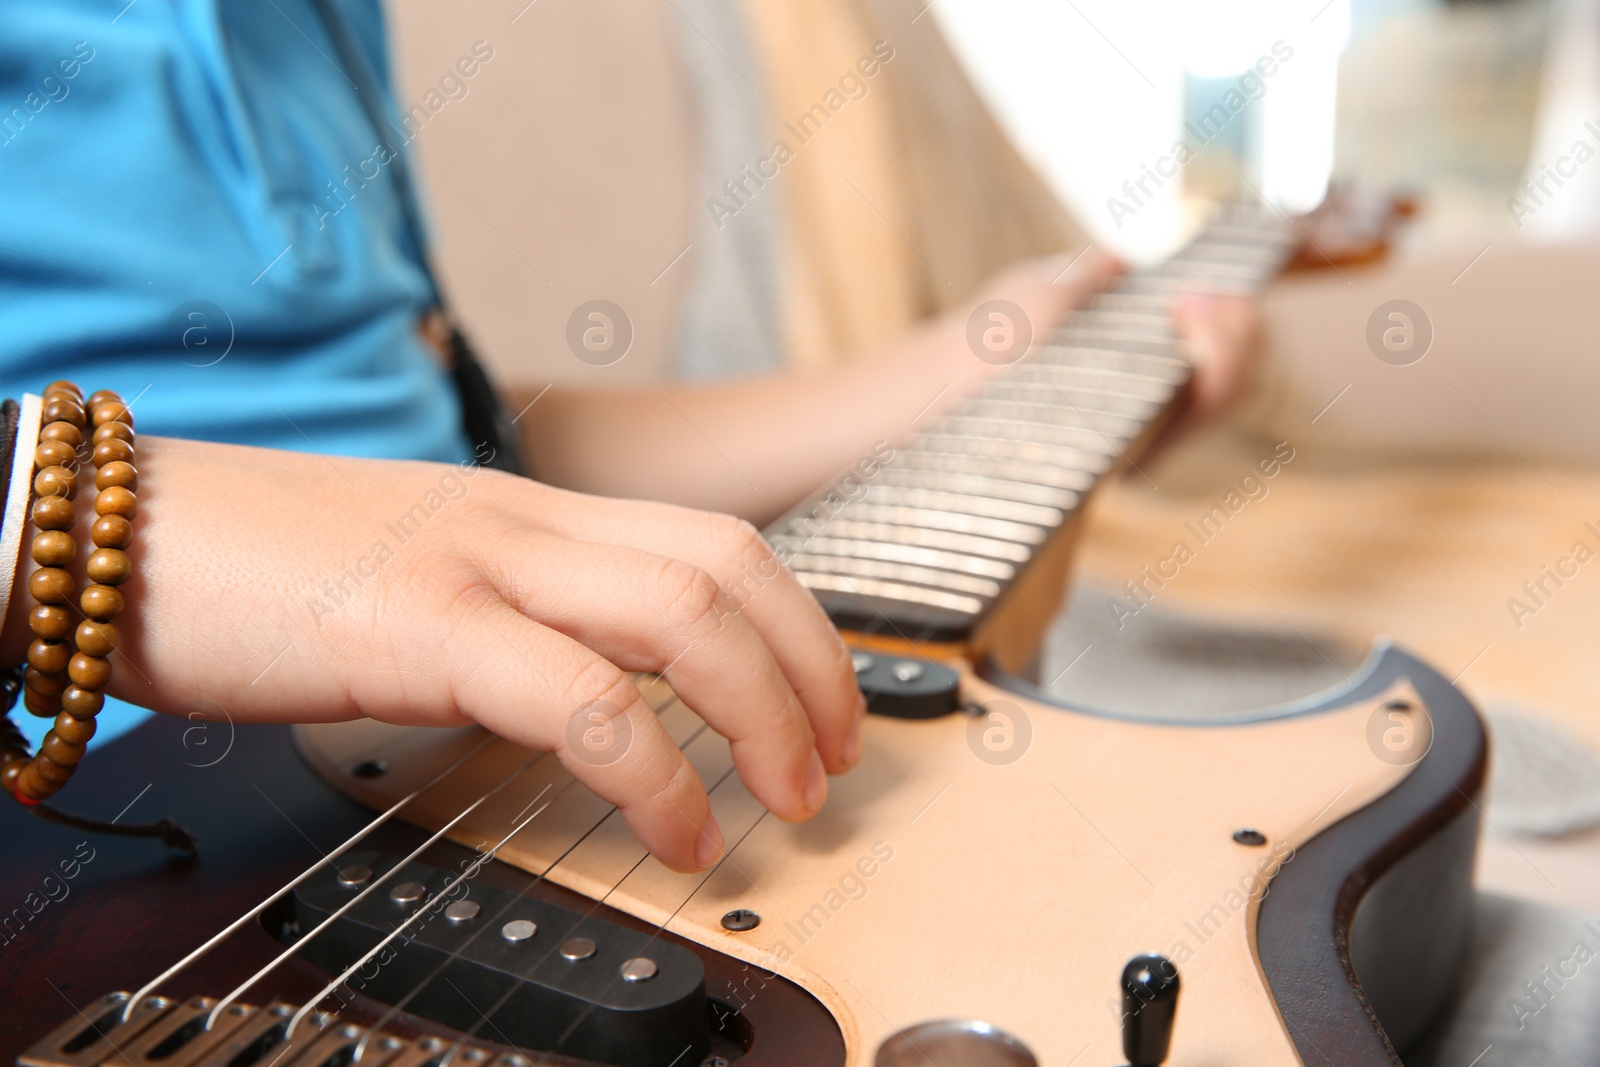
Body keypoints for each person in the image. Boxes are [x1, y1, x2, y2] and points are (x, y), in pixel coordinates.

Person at [0, 0, 1257, 873]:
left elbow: (466, 452)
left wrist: (971, 361)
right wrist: (63, 517)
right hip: (119, 825)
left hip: (497, 764)